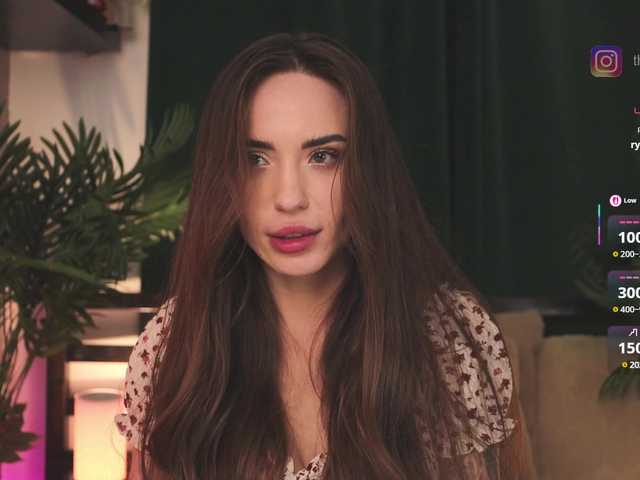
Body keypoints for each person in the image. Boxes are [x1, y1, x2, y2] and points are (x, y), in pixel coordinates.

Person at [114, 32, 533, 479]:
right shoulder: (172, 344)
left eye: (323, 156)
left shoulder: (448, 338)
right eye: (256, 159)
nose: (289, 198)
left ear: (365, 171)